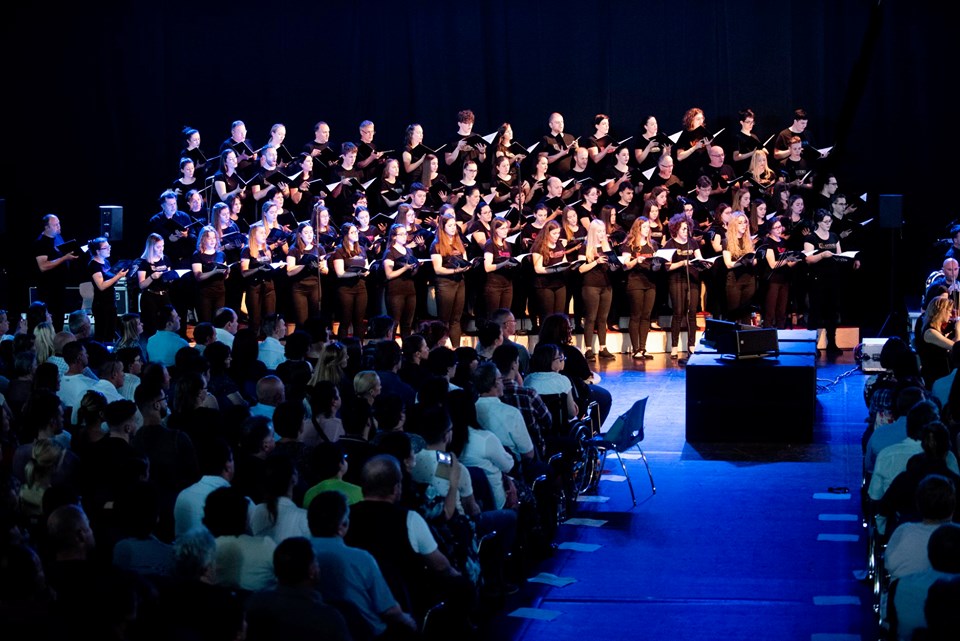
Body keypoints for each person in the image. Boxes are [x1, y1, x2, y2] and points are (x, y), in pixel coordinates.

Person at [306, 490, 419, 638]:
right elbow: (389, 610)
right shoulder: (361, 559)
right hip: (365, 633)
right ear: (343, 525)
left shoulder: (299, 554)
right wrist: (407, 620)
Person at [244, 536, 353, 641]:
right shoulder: (329, 619)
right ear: (311, 570)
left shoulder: (254, 602)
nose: (319, 566)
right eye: (316, 562)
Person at [804, 210, 857, 356]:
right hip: (817, 279)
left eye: (830, 221)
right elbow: (808, 259)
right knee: (816, 312)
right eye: (826, 222)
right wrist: (822, 255)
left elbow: (839, 254)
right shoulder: (811, 238)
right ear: (818, 222)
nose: (829, 224)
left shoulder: (834, 236)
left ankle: (832, 343)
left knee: (832, 312)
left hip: (833, 278)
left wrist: (845, 258)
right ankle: (812, 345)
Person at [664, 213, 704, 360]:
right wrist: (682, 263)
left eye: (687, 229)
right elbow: (667, 267)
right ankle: (674, 347)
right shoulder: (670, 244)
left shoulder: (692, 242)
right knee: (678, 312)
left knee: (692, 312)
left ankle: (691, 345)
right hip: (677, 281)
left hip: (692, 280)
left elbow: (700, 258)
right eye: (683, 229)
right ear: (676, 229)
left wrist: (703, 263)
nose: (686, 232)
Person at [431, 212, 471, 347]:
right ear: (443, 227)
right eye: (450, 225)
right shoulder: (436, 245)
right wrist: (454, 271)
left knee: (456, 319)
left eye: (454, 225)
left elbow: (465, 259)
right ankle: (441, 348)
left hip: (459, 281)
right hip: (445, 283)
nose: (453, 228)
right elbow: (437, 269)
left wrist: (467, 266)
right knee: (444, 319)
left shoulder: (458, 242)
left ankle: (456, 349)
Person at [621, 216, 659, 359]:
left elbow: (655, 266)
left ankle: (643, 348)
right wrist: (637, 260)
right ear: (638, 228)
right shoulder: (629, 244)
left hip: (650, 282)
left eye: (648, 227)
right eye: (644, 227)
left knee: (646, 315)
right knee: (636, 315)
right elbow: (625, 265)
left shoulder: (652, 244)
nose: (647, 229)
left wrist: (657, 264)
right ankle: (635, 349)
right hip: (635, 282)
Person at [33, 214, 78, 332]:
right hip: (48, 289)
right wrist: (64, 258)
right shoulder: (41, 242)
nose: (59, 226)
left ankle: (59, 339)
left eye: (59, 224)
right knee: (51, 319)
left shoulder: (58, 237)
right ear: (46, 227)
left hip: (60, 286)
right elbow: (43, 266)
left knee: (59, 318)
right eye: (55, 225)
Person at [578, 219, 616, 361]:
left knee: (603, 318)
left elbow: (612, 266)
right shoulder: (585, 247)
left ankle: (603, 348)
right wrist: (596, 262)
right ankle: (588, 349)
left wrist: (614, 265)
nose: (601, 234)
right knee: (591, 317)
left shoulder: (607, 247)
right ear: (593, 232)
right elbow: (581, 268)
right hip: (591, 286)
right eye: (599, 231)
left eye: (603, 231)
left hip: (606, 285)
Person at [757, 216, 803, 329]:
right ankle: (768, 334)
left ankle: (781, 332)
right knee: (770, 310)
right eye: (776, 227)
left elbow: (788, 263)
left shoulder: (784, 242)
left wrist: (797, 259)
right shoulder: (767, 243)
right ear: (770, 230)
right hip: (772, 280)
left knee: (782, 311)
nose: (779, 229)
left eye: (780, 227)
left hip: (784, 279)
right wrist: (787, 260)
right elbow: (773, 264)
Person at [332, 222, 369, 341]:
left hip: (361, 288)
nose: (356, 234)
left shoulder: (361, 249)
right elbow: (340, 273)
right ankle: (342, 348)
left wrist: (366, 272)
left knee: (359, 321)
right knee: (345, 320)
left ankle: (359, 347)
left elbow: (366, 266)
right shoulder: (339, 250)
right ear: (346, 235)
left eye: (356, 232)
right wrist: (356, 274)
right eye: (352, 232)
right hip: (346, 289)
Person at [86, 236, 129, 342]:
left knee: (111, 333)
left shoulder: (106, 262)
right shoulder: (94, 265)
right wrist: (117, 276)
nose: (109, 249)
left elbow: (111, 282)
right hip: (101, 304)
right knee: (102, 333)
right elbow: (101, 286)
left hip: (111, 302)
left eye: (109, 246)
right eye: (105, 248)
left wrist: (119, 276)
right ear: (98, 251)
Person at [286, 221, 327, 328]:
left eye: (311, 232)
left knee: (315, 320)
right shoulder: (294, 249)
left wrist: (321, 267)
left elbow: (325, 270)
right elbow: (289, 271)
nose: (309, 235)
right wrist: (304, 265)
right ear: (300, 234)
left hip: (315, 287)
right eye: (306, 233)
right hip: (299, 288)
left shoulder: (319, 248)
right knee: (301, 321)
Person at [241, 222, 277, 336]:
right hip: (254, 287)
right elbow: (244, 273)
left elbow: (270, 266)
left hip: (268, 286)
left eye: (264, 233)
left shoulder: (267, 249)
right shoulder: (247, 250)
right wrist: (258, 269)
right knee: (255, 319)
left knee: (270, 318)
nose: (264, 235)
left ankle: (269, 341)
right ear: (253, 235)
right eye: (261, 233)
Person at [382, 224, 419, 338]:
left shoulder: (409, 251)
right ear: (394, 236)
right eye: (401, 234)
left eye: (405, 234)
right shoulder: (390, 252)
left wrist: (416, 267)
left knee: (407, 324)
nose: (404, 236)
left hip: (410, 290)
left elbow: (412, 272)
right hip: (396, 291)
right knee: (394, 323)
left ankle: (407, 347)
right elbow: (389, 275)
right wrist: (405, 268)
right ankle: (391, 347)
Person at [530, 220, 568, 328]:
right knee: (547, 316)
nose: (557, 236)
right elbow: (538, 268)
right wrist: (554, 270)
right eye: (554, 233)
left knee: (560, 316)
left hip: (559, 283)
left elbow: (564, 260)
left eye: (558, 233)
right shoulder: (539, 247)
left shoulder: (559, 244)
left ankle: (559, 337)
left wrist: (568, 265)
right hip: (544, 285)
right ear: (547, 233)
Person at [721, 211, 757, 323]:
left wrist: (753, 260)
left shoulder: (749, 241)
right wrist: (741, 262)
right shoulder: (727, 241)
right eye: (740, 223)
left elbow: (754, 261)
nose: (743, 225)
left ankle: (746, 334)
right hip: (734, 281)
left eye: (745, 222)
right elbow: (728, 264)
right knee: (734, 314)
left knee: (746, 314)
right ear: (733, 225)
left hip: (749, 280)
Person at [916, 295, 959, 389]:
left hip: (942, 377)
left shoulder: (940, 331)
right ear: (941, 311)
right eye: (949, 311)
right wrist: (958, 329)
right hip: (934, 379)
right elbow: (956, 347)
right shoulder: (930, 333)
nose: (951, 315)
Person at [191, 225, 228, 324]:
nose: (212, 241)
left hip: (220, 291)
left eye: (214, 238)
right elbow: (198, 276)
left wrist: (227, 272)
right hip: (204, 293)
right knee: (205, 322)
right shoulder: (197, 255)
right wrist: (213, 272)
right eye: (209, 238)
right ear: (203, 239)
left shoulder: (221, 254)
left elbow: (225, 276)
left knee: (218, 321)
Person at [541, 112, 578, 177]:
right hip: (553, 176)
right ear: (551, 125)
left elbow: (577, 156)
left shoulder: (570, 137)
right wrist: (561, 154)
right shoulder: (547, 139)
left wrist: (576, 147)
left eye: (562, 122)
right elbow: (545, 161)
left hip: (569, 176)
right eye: (557, 122)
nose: (561, 125)